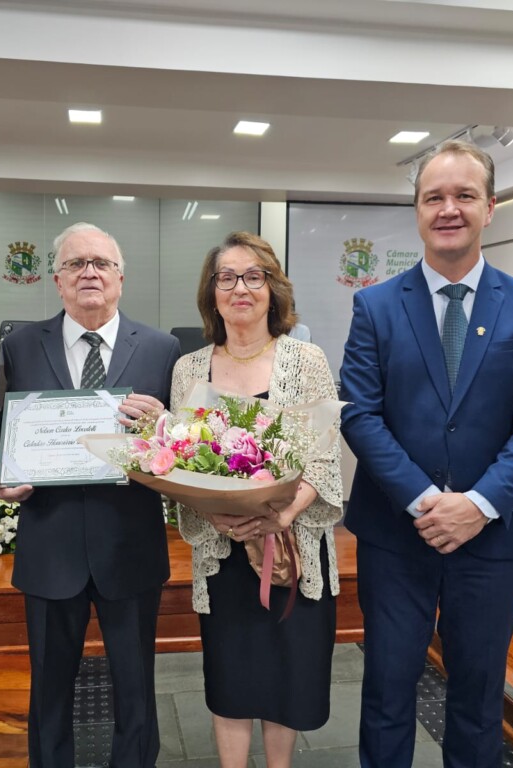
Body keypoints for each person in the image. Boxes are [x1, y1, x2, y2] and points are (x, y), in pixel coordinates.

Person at [340, 140, 513, 768]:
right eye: (433, 196)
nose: (448, 209)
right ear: (415, 210)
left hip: (493, 537)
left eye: (464, 195)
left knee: (478, 694)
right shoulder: (376, 305)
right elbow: (360, 413)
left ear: (490, 207)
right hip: (395, 532)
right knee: (387, 688)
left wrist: (479, 504)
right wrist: (423, 500)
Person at [0, 222, 180, 768]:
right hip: (50, 544)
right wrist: (1, 473)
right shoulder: (21, 344)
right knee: (48, 688)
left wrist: (165, 425)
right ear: (57, 280)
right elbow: (0, 428)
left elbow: (183, 445)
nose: (89, 272)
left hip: (131, 545)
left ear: (122, 277)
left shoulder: (163, 348)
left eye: (101, 263)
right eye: (76, 264)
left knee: (136, 686)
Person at [169, 231, 342, 768]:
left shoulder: (306, 359)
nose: (239, 287)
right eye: (226, 277)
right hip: (223, 556)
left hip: (293, 549)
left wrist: (282, 515)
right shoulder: (188, 369)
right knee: (231, 677)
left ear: (273, 289)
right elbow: (176, 463)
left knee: (289, 677)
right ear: (211, 293)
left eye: (253, 276)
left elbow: (324, 456)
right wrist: (217, 515)